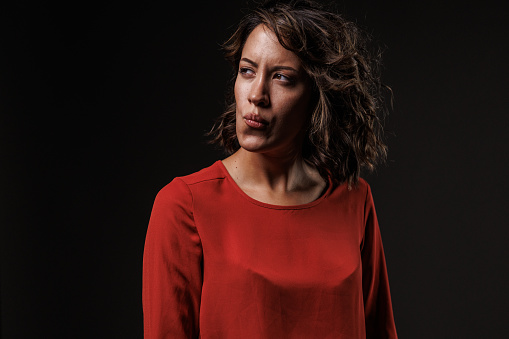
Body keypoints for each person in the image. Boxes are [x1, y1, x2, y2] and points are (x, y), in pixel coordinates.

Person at [143, 0, 398, 338]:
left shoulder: (354, 200)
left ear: (316, 96)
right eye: (247, 71)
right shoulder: (183, 205)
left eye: (282, 77)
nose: (257, 94)